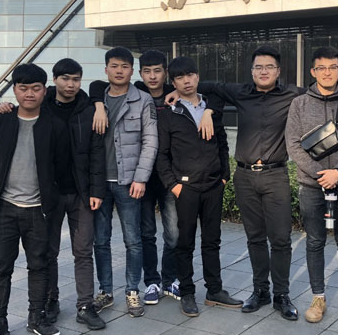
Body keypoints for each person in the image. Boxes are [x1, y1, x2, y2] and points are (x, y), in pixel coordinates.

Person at [170, 46, 303, 320]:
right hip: (245, 176)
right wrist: (205, 107)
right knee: (255, 238)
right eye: (258, 67)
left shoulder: (292, 94)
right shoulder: (240, 92)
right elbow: (206, 86)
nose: (263, 71)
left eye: (269, 67)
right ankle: (260, 291)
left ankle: (281, 294)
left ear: (278, 71)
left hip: (276, 174)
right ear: (252, 71)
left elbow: (324, 92)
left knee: (280, 239)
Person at [0, 59, 107, 330]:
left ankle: (85, 305)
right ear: (54, 80)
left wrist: (96, 190)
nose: (70, 85)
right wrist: (3, 107)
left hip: (81, 193)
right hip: (48, 194)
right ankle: (50, 300)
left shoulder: (89, 109)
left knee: (83, 251)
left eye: (76, 79)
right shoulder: (41, 105)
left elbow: (97, 153)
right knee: (48, 252)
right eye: (65, 79)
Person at [0, 63, 68, 335]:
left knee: (39, 265)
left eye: (35, 88)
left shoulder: (54, 126)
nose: (29, 94)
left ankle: (37, 318)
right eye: (23, 88)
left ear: (44, 91)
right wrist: (1, 186)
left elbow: (61, 168)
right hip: (4, 209)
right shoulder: (1, 121)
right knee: (0, 268)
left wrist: (49, 196)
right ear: (14, 90)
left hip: (39, 210)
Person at [90, 50, 184, 305]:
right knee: (143, 234)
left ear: (166, 73)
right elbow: (95, 85)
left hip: (162, 176)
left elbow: (151, 141)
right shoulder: (105, 97)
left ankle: (168, 279)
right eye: (147, 71)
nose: (152, 76)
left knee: (172, 233)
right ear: (140, 73)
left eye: (157, 71)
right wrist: (97, 103)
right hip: (131, 179)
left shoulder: (164, 96)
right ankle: (150, 281)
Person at [286, 47, 338, 325]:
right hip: (311, 186)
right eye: (321, 68)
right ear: (313, 72)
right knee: (314, 241)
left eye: (333, 67)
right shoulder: (299, 104)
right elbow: (293, 144)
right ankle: (318, 297)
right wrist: (321, 174)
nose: (327, 72)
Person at [156, 57, 242, 316]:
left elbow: (222, 144)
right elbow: (162, 155)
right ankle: (187, 292)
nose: (187, 81)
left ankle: (214, 290)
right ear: (173, 83)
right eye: (180, 77)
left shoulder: (211, 107)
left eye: (190, 75)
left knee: (212, 241)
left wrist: (224, 176)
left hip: (213, 185)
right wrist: (174, 185)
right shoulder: (168, 113)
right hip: (186, 188)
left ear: (197, 76)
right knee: (184, 243)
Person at [92, 47, 158, 317]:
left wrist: (141, 178)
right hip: (99, 184)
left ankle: (132, 291)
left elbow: (150, 141)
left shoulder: (143, 100)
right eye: (114, 66)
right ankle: (105, 291)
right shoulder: (95, 99)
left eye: (125, 66)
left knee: (133, 240)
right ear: (106, 69)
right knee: (100, 240)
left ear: (132, 71)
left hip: (128, 182)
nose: (119, 71)